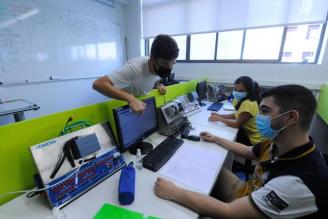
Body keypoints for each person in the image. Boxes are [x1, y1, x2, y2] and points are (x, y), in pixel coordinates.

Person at [154, 84, 328, 218]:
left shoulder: (300, 181)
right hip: (247, 190)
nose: (259, 116)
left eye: (265, 111)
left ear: (290, 117)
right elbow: (248, 151)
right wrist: (216, 138)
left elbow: (230, 212)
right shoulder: (277, 141)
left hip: (247, 209)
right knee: (205, 170)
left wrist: (175, 192)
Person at [92, 34, 179, 114]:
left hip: (141, 104)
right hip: (123, 109)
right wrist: (129, 98)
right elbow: (98, 84)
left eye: (173, 63)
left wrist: (158, 85)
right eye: (165, 64)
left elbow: (151, 78)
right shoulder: (134, 69)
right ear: (152, 59)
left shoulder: (159, 67)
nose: (169, 68)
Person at [209, 76, 263, 146]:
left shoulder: (249, 103)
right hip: (246, 132)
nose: (237, 92)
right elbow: (237, 114)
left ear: (249, 91)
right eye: (235, 89)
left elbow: (237, 124)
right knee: (224, 131)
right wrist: (220, 115)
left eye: (241, 91)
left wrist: (220, 119)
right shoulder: (240, 98)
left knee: (224, 136)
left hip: (254, 140)